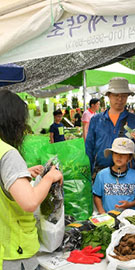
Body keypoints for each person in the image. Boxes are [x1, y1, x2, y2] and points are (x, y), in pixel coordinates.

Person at [0, 90, 63, 270]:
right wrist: (49, 177)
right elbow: (29, 202)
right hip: (14, 253)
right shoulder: (9, 153)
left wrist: (22, 173)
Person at [85, 77, 135, 177]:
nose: (120, 99)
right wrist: (88, 174)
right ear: (108, 95)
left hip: (128, 176)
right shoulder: (96, 120)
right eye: (116, 95)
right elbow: (88, 149)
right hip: (101, 175)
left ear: (128, 96)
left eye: (124, 96)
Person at [93, 137, 135, 213]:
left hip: (129, 217)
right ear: (112, 155)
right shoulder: (102, 175)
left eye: (123, 154)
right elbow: (97, 196)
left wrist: (130, 204)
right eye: (116, 153)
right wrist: (102, 212)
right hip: (108, 216)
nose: (119, 157)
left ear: (129, 158)